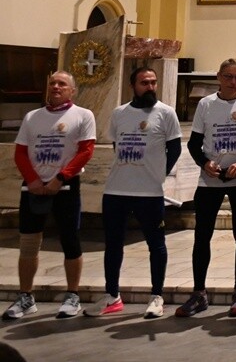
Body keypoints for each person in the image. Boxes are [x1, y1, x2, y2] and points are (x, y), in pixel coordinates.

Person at [86, 67, 182, 318]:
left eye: (153, 82)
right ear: (133, 86)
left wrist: (159, 174)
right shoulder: (119, 113)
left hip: (149, 192)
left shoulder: (166, 113)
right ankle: (112, 295)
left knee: (156, 244)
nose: (150, 87)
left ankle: (156, 296)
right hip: (116, 190)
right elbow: (117, 146)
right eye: (144, 83)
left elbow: (174, 149)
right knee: (113, 244)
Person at [176, 58, 236, 318]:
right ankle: (199, 293)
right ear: (218, 77)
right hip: (210, 180)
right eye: (229, 76)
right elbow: (194, 144)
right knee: (202, 235)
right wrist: (205, 163)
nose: (234, 81)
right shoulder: (206, 105)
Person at [5, 71, 96, 320]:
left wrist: (60, 178)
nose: (56, 87)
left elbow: (85, 151)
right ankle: (25, 297)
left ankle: (72, 295)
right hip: (34, 186)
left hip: (65, 186)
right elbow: (20, 152)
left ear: (72, 90)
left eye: (62, 84)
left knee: (70, 240)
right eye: (52, 83)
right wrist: (33, 180)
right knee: (28, 243)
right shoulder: (32, 117)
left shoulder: (83, 115)